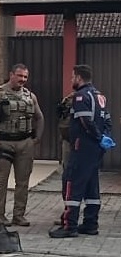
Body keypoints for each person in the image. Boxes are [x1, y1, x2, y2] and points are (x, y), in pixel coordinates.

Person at [0, 63, 45, 227]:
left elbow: (40, 117)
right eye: (19, 76)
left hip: (25, 143)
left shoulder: (30, 96)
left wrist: (37, 138)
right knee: (1, 181)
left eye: (25, 77)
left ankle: (19, 216)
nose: (23, 79)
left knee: (23, 182)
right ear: (11, 75)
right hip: (4, 143)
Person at [50, 64, 114, 238]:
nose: (72, 80)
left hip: (82, 148)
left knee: (73, 184)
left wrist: (98, 137)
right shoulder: (100, 96)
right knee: (92, 186)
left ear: (79, 78)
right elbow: (108, 121)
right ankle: (90, 224)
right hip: (96, 150)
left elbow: (85, 121)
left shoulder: (80, 96)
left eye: (73, 77)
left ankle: (69, 226)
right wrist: (104, 138)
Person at [52, 91, 75, 226]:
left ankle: (71, 215)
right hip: (67, 142)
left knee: (72, 179)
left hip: (79, 144)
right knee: (67, 179)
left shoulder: (86, 99)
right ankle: (68, 212)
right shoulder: (68, 99)